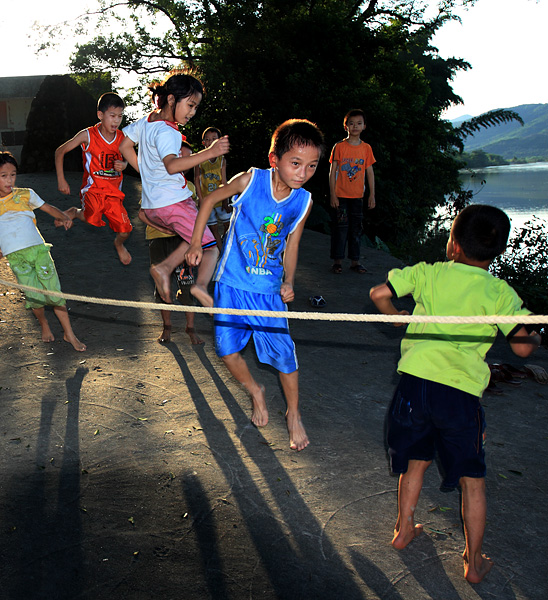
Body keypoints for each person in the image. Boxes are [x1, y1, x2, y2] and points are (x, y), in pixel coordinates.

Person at [369, 204, 540, 584]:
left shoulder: (429, 273)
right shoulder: (499, 292)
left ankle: (403, 528)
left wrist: (396, 315)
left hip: (414, 387)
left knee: (416, 460)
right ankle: (474, 561)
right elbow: (524, 349)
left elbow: (380, 292)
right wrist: (535, 332)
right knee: (472, 480)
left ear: (454, 246)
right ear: (496, 253)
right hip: (459, 397)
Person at [186, 119, 325, 451]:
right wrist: (195, 244)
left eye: (311, 166)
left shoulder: (302, 201)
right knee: (228, 351)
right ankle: (255, 392)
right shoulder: (250, 180)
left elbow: (292, 245)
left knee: (285, 358)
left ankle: (293, 414)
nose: (303, 173)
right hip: (232, 283)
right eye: (296, 163)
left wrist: (289, 281)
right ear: (274, 159)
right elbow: (207, 202)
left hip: (268, 291)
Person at [120, 71, 229, 307]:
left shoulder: (148, 121)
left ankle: (164, 267)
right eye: (190, 105)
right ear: (171, 99)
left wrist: (145, 172)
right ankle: (199, 287)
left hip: (152, 207)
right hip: (174, 203)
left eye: (196, 107)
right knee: (211, 250)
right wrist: (209, 152)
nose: (192, 112)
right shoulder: (169, 132)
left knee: (193, 239)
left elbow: (124, 144)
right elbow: (172, 165)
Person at [0, 152, 86, 352]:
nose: (10, 180)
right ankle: (44, 324)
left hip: (38, 251)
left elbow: (47, 207)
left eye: (13, 174)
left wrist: (64, 217)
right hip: (16, 258)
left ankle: (69, 333)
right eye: (4, 175)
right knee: (34, 296)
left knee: (54, 293)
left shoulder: (25, 194)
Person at [55, 92, 133, 265]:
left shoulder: (122, 138)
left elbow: (131, 158)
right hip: (93, 190)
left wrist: (125, 164)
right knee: (91, 219)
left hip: (114, 194)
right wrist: (61, 179)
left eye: (120, 116)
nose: (116, 121)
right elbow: (60, 151)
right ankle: (75, 212)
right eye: (112, 116)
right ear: (100, 115)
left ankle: (118, 244)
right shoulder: (88, 135)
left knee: (125, 231)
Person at [142, 141, 203, 345]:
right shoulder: (154, 183)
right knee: (163, 285)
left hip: (183, 243)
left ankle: (190, 328)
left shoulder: (191, 188)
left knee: (187, 285)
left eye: (189, 159)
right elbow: (142, 214)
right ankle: (166, 328)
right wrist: (166, 228)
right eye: (181, 157)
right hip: (158, 239)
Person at [329, 109, 375, 274]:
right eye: (351, 123)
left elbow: (369, 172)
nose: (355, 126)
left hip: (357, 197)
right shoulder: (339, 147)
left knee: (356, 229)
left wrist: (372, 195)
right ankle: (337, 261)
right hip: (341, 196)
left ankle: (355, 262)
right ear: (346, 126)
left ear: (364, 126)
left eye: (359, 123)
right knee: (340, 229)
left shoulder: (366, 148)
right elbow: (332, 171)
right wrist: (333, 194)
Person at [195, 127, 231, 248]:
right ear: (203, 142)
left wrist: (226, 200)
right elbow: (197, 179)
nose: (210, 142)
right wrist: (200, 199)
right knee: (213, 228)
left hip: (220, 198)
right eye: (208, 140)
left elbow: (224, 180)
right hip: (207, 200)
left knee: (228, 224)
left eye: (214, 139)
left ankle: (226, 245)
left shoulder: (221, 160)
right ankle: (220, 251)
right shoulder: (199, 158)